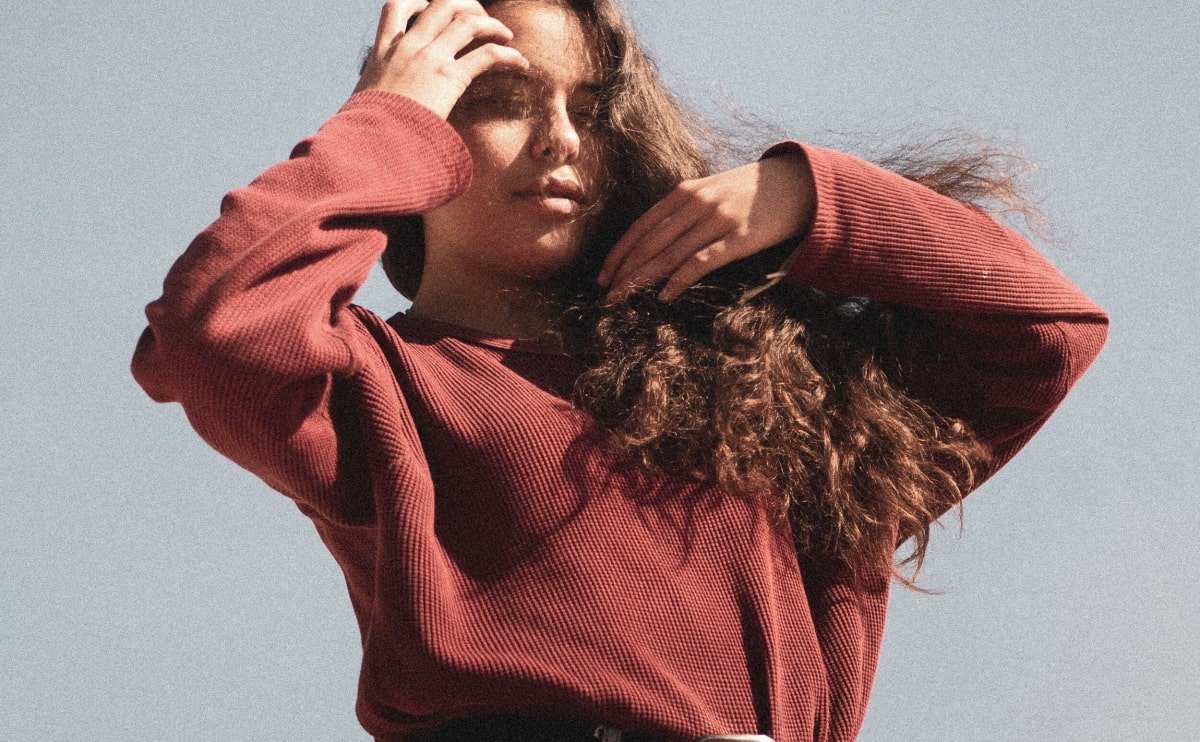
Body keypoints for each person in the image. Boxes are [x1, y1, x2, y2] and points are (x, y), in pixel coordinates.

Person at [130, 0, 1109, 740]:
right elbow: (214, 329)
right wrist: (386, 118)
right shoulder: (377, 385)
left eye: (591, 110)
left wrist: (806, 199)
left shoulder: (761, 390)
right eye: (503, 103)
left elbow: (1044, 330)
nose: (561, 140)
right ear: (428, 140)